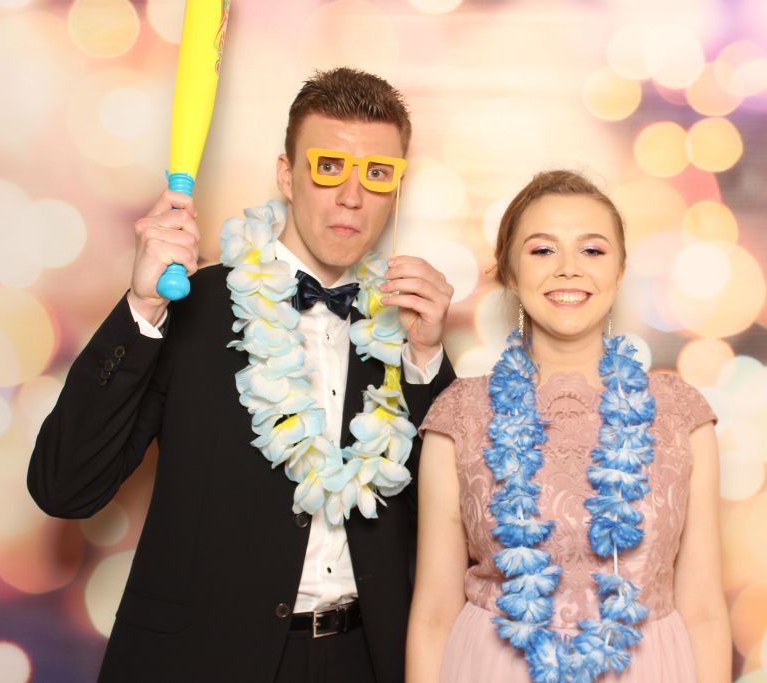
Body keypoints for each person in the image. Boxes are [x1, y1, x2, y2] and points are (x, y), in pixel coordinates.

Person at [29, 68, 456, 683]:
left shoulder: (407, 327)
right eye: (329, 167)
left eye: (377, 175)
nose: (352, 197)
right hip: (203, 660)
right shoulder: (193, 305)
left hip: (362, 661)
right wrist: (143, 308)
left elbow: (447, 525)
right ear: (286, 173)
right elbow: (64, 487)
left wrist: (427, 360)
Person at [407, 170, 730, 682]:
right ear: (510, 272)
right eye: (542, 250)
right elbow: (432, 616)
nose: (568, 269)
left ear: (620, 270)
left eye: (592, 250)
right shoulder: (460, 413)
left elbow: (706, 612)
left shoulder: (681, 415)